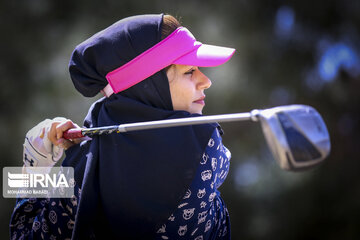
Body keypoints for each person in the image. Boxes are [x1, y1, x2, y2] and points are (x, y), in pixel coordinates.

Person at [10, 13, 235, 239]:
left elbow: (23, 233)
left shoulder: (80, 171)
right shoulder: (207, 150)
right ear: (149, 85)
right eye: (190, 71)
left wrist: (34, 168)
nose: (207, 81)